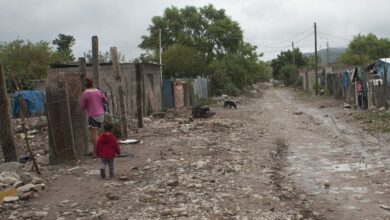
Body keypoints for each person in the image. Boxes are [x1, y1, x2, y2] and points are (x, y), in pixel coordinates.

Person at [79, 78, 108, 152]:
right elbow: (106, 100)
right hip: (102, 114)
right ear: (92, 84)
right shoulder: (99, 91)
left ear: (85, 85)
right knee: (100, 133)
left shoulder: (85, 93)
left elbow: (82, 107)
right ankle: (103, 150)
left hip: (93, 115)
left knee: (94, 135)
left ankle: (95, 152)